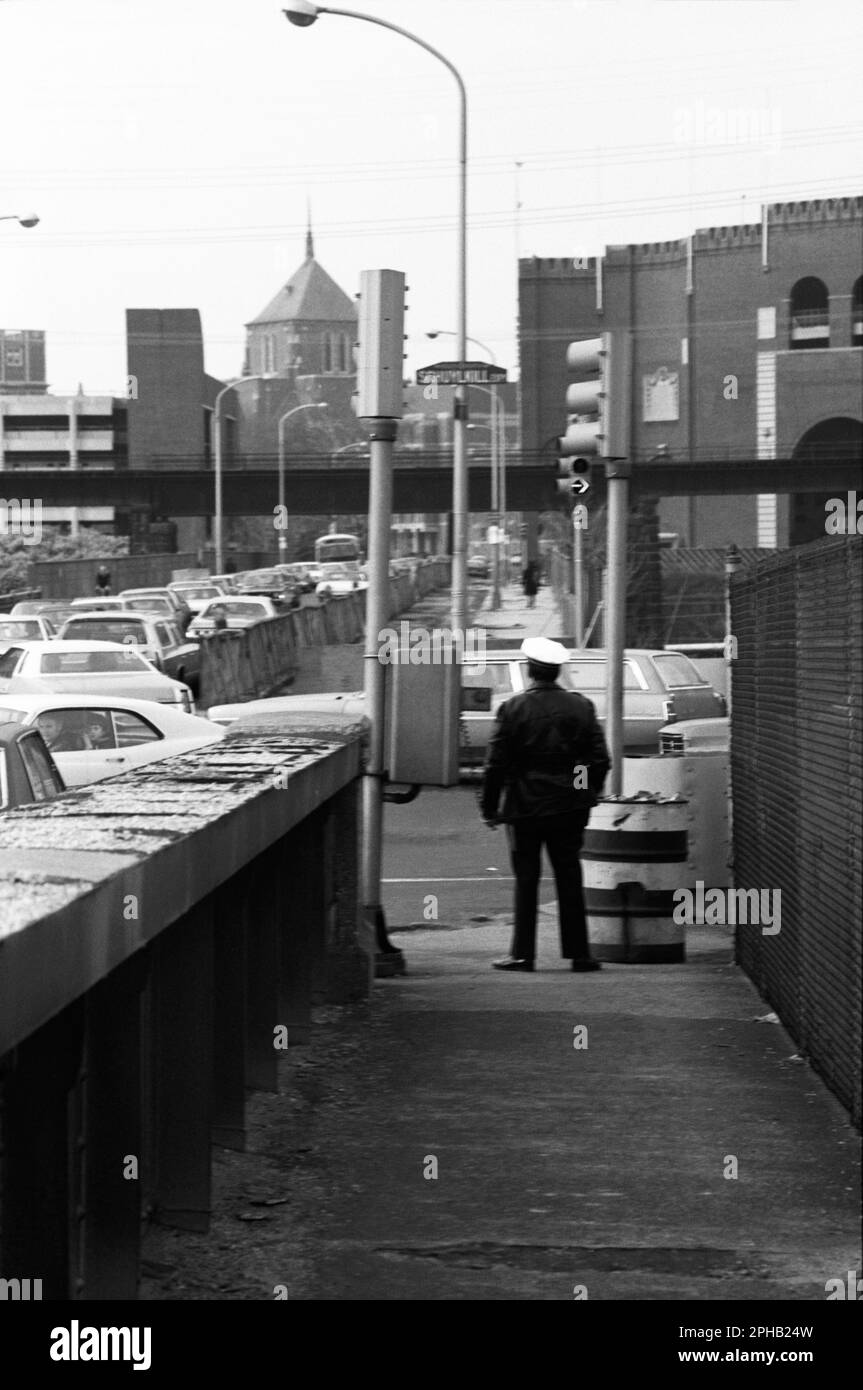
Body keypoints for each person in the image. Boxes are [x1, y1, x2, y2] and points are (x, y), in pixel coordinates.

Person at [480, 636, 610, 973]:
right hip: (568, 807)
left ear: (529, 671)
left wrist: (490, 808)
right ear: (557, 671)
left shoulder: (512, 709)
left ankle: (523, 954)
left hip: (524, 807)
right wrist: (581, 790)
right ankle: (580, 954)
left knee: (526, 878)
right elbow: (597, 759)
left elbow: (496, 764)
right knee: (569, 874)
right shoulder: (582, 706)